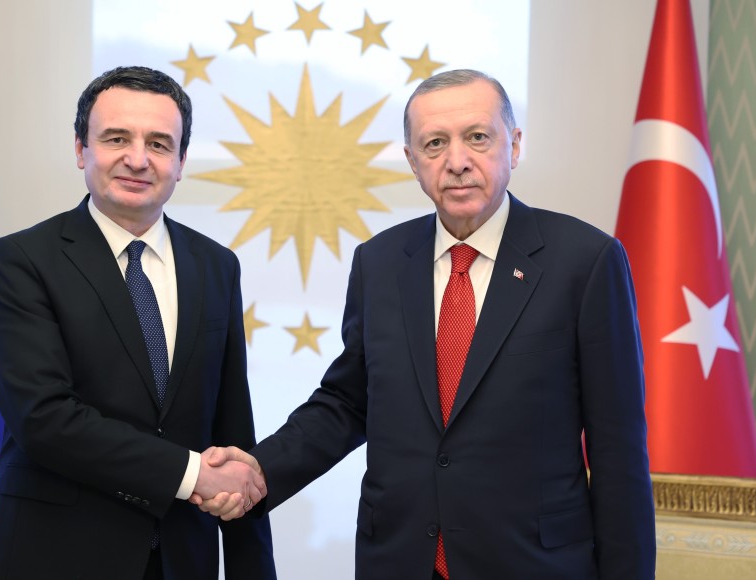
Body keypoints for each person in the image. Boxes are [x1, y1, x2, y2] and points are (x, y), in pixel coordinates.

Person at [196, 69, 656, 579]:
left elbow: (618, 453)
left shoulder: (585, 261)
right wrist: (261, 470)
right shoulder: (380, 262)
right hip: (400, 561)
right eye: (435, 143)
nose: (457, 161)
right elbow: (348, 401)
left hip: (533, 563)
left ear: (514, 145)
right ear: (413, 161)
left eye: (477, 137)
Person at [0, 66, 276, 580]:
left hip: (183, 559)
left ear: (181, 162)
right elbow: (44, 419)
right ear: (81, 149)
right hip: (53, 558)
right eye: (116, 139)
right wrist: (192, 474)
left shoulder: (216, 265)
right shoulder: (21, 260)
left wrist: (253, 568)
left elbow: (232, 431)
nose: (138, 159)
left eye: (159, 144)